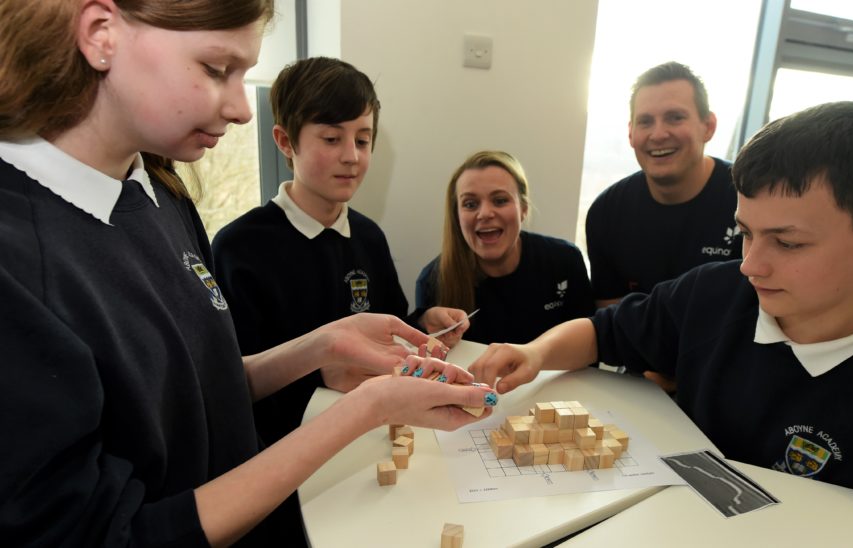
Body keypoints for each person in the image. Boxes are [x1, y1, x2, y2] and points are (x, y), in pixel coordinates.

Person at [0, 1, 497, 546]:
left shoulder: (158, 191)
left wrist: (325, 343)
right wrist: (367, 408)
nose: (241, 109)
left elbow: (199, 390)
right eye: (217, 70)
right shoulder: (19, 258)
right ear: (101, 34)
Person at [468, 102, 853, 509]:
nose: (750, 266)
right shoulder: (713, 293)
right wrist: (536, 353)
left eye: (788, 243)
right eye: (747, 233)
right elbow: (604, 331)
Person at [211, 57, 469, 446]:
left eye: (363, 140)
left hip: (372, 438)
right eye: (332, 139)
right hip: (286, 452)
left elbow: (391, 326)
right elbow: (232, 384)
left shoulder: (369, 237)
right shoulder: (238, 248)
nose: (352, 156)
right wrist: (321, 373)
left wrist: (424, 323)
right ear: (285, 141)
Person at [586, 61, 740, 307]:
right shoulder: (606, 213)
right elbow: (611, 326)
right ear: (631, 133)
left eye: (675, 118)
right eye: (645, 122)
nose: (658, 134)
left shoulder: (749, 199)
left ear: (708, 127)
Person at [415, 150, 595, 345]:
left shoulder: (565, 261)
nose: (484, 213)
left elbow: (589, 350)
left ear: (523, 209)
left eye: (500, 200)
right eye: (470, 204)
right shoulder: (432, 281)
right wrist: (422, 323)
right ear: (457, 217)